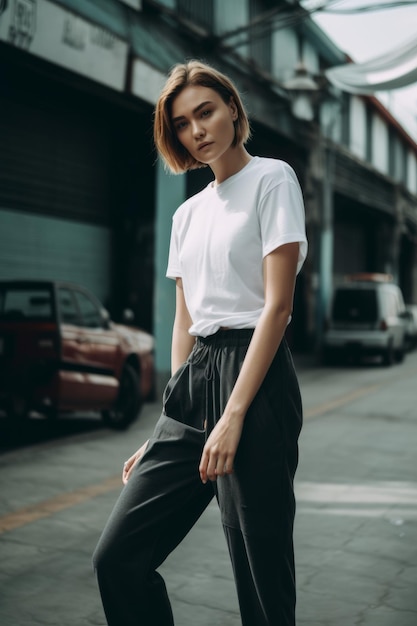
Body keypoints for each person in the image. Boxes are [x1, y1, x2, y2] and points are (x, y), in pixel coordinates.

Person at [93, 60, 308, 626]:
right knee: (118, 558)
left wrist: (234, 413)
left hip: (254, 376)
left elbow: (278, 306)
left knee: (259, 573)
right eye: (184, 122)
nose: (198, 130)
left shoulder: (272, 178)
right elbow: (185, 322)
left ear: (234, 109)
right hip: (196, 380)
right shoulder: (186, 215)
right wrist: (166, 425)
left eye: (206, 111)